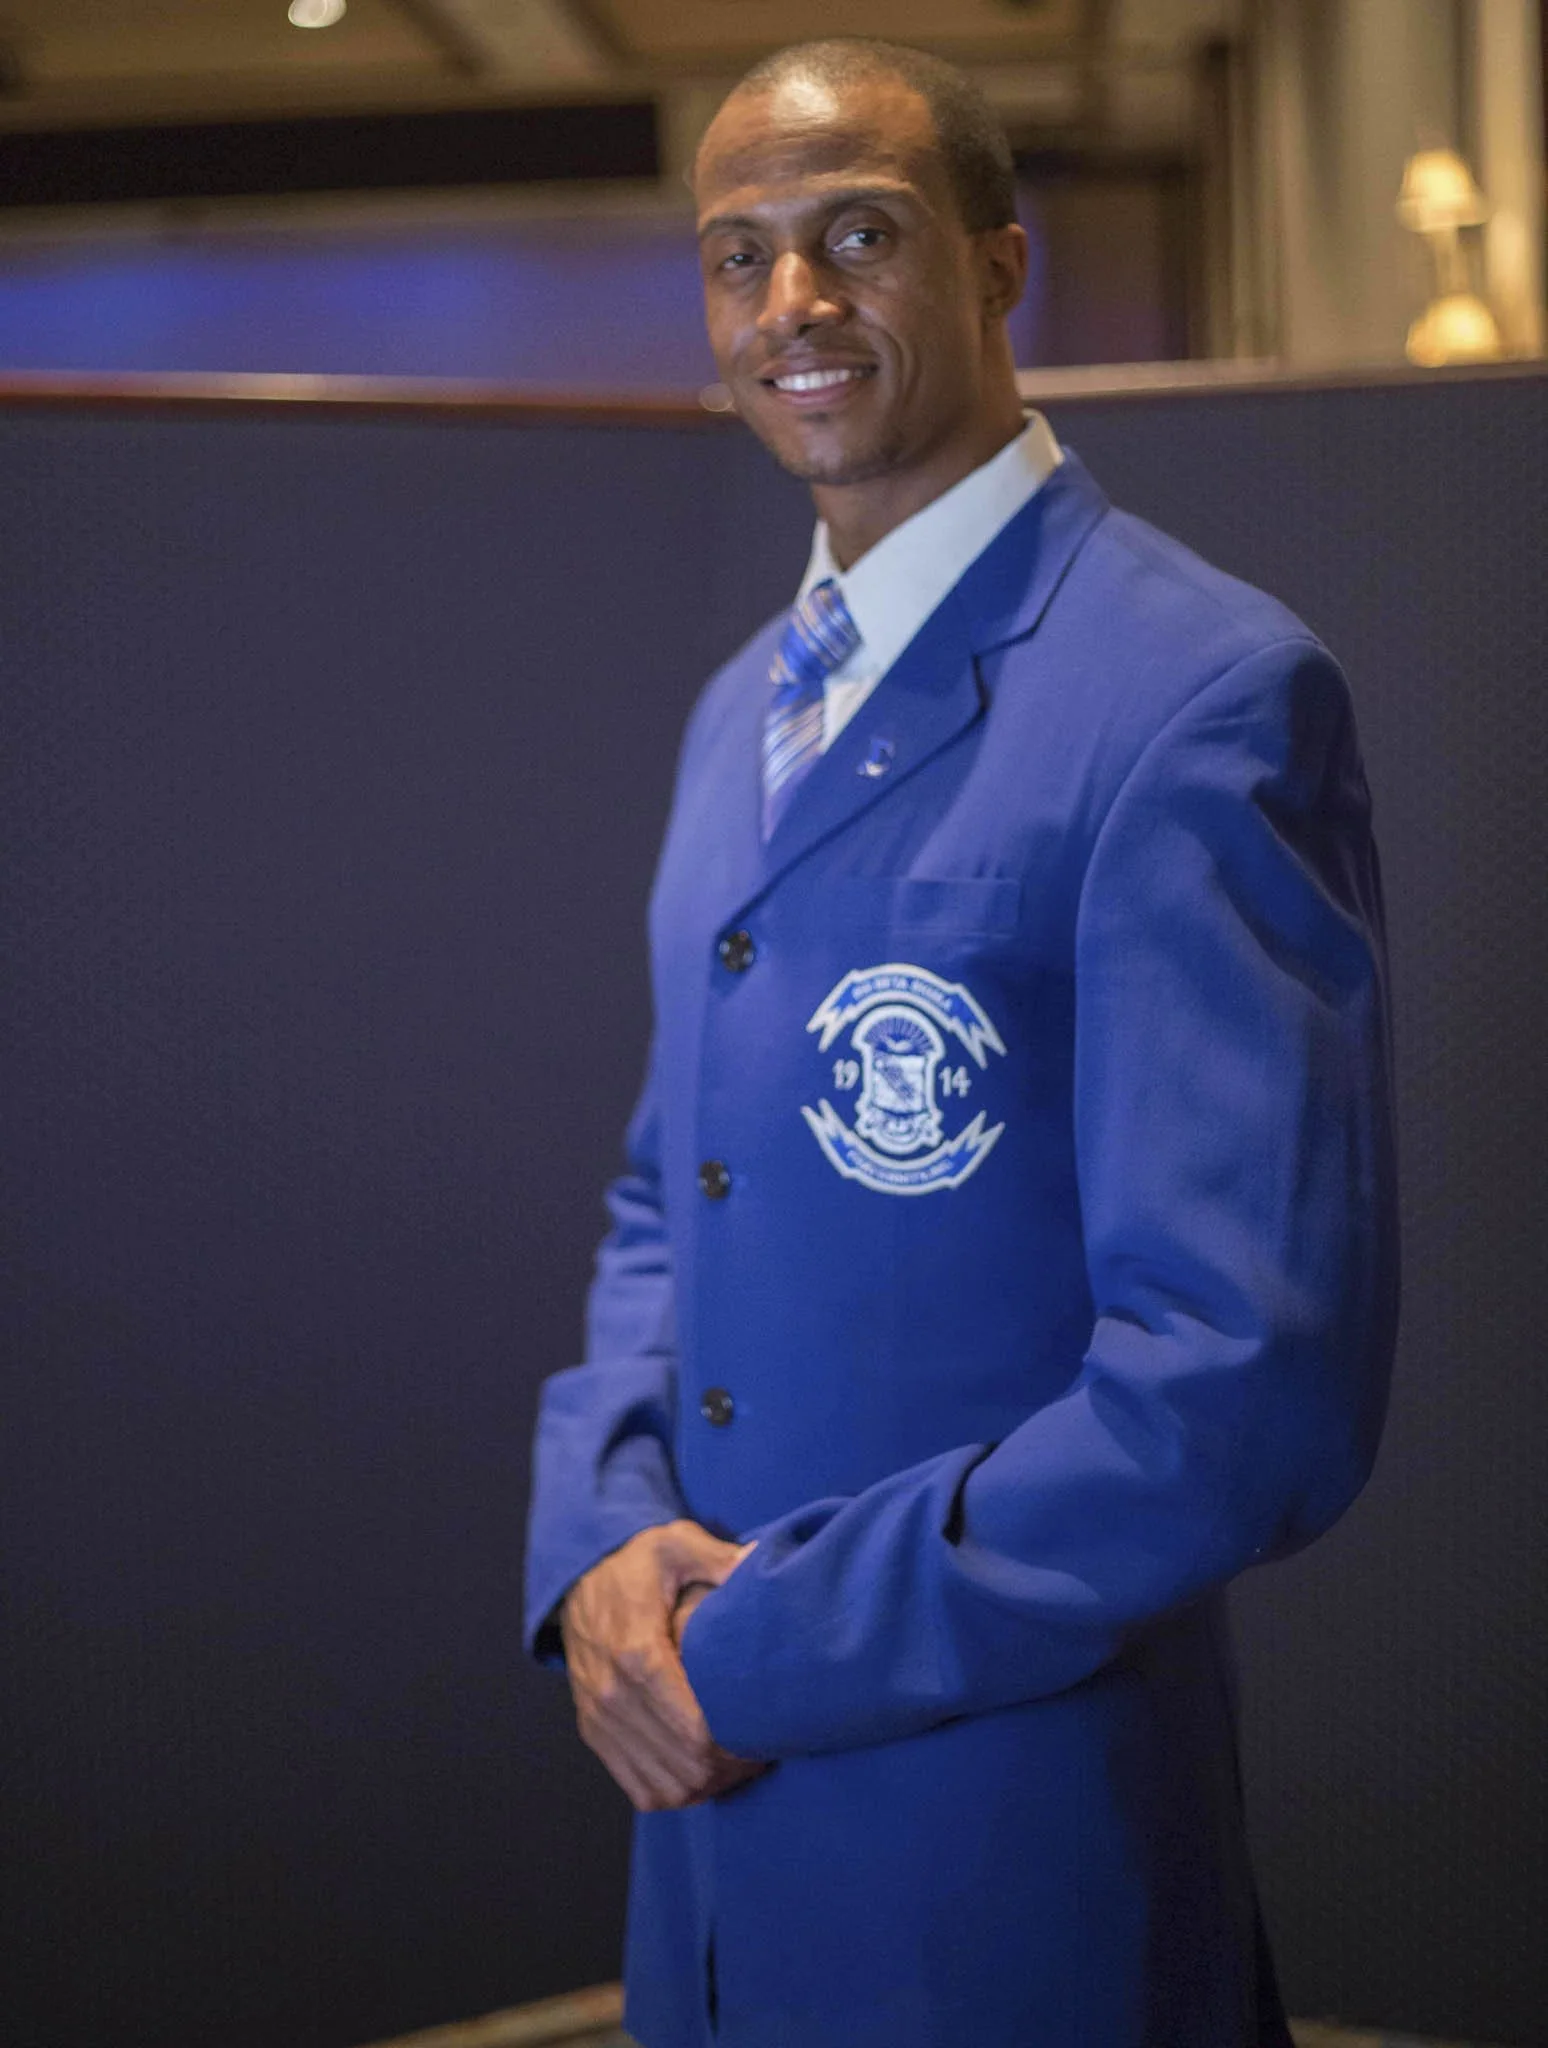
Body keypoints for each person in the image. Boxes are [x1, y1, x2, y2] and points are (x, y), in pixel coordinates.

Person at [524, 36, 1399, 2048]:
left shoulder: (1196, 696)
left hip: (1007, 1862)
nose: (790, 304)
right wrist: (599, 1554)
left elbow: (1241, 1395)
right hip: (707, 1869)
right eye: (737, 258)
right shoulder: (744, 700)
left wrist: (755, 1651)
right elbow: (672, 1191)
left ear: (1003, 264)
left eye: (859, 236)